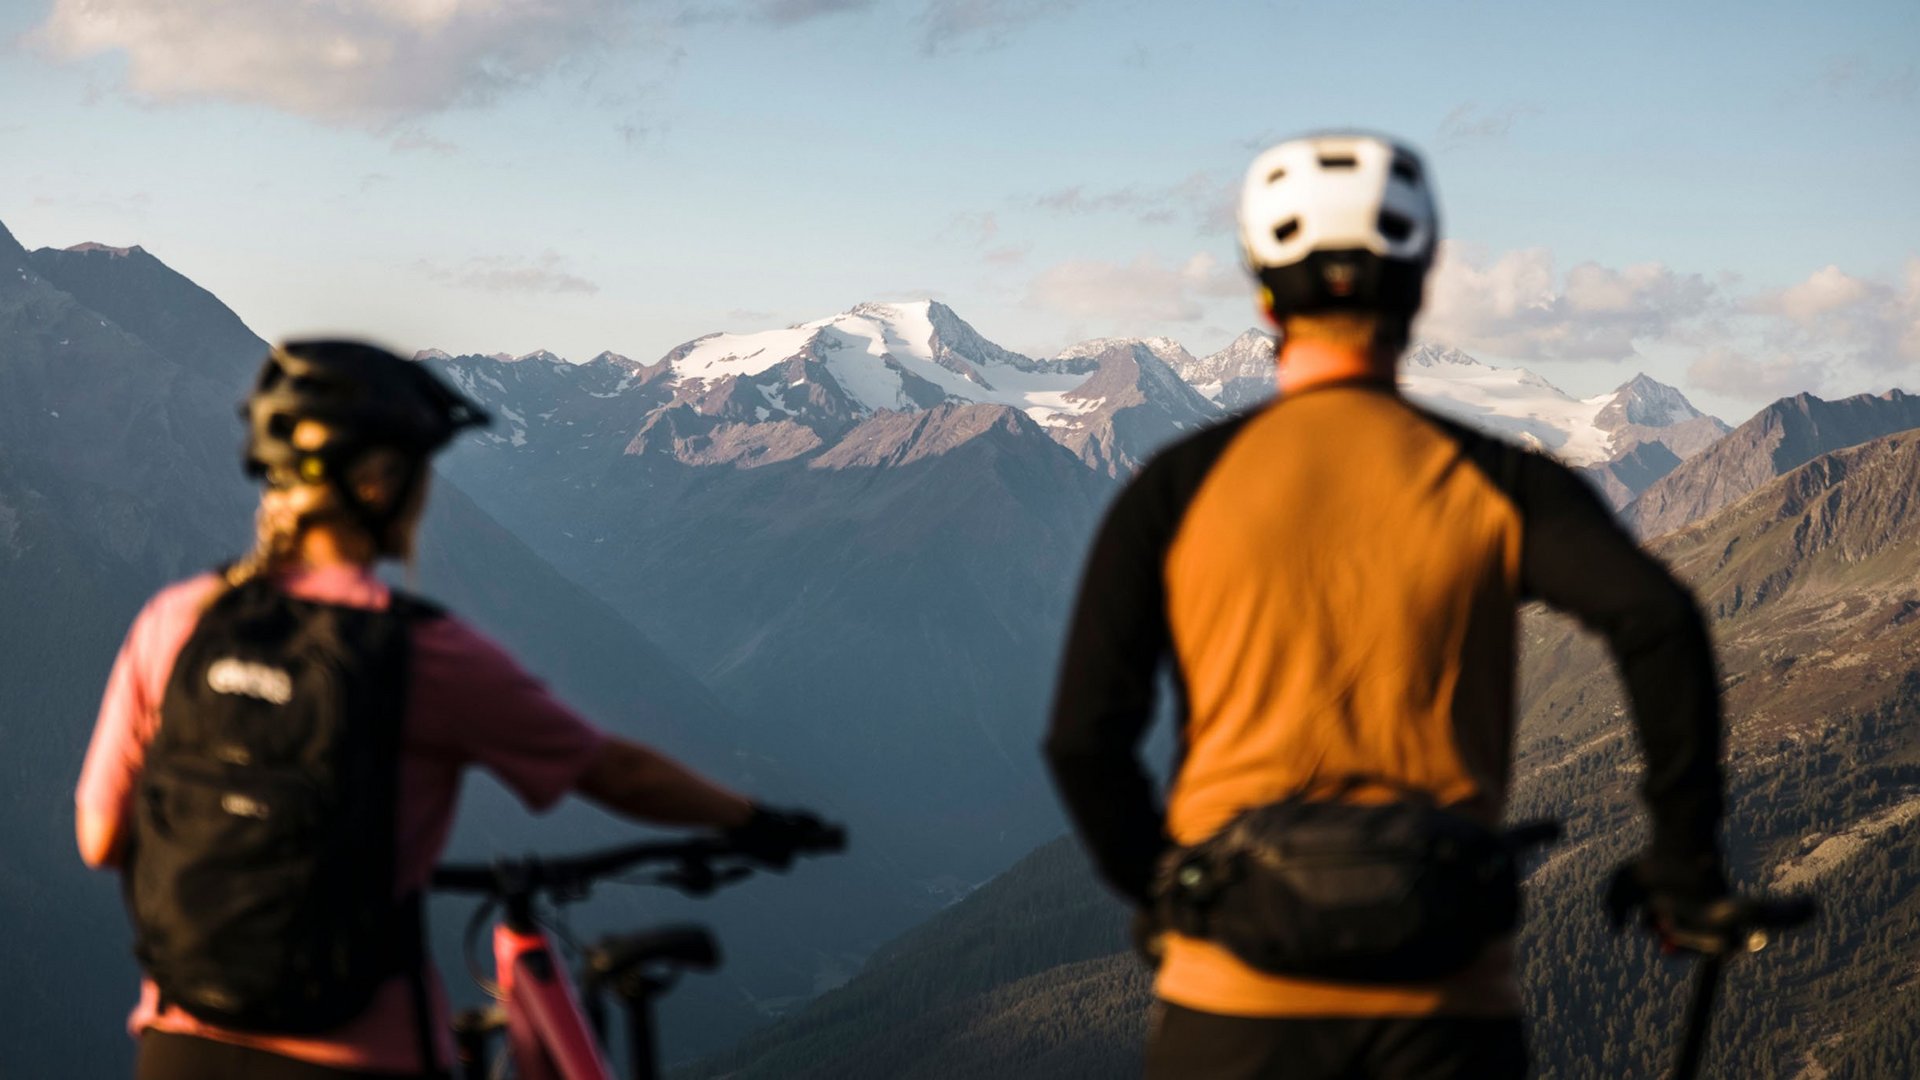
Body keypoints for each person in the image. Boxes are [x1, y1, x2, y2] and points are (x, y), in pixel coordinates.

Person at [1043, 133, 1728, 1079]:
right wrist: (1683, 857)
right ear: (1419, 283)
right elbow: (1657, 621)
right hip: (1444, 998)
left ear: (1263, 292)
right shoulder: (1496, 481)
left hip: (1231, 994)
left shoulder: (1179, 489)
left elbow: (1085, 739)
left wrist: (1165, 891)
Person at [77, 340, 826, 1080]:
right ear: (380, 483)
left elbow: (101, 834)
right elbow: (611, 769)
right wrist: (749, 820)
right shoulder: (421, 653)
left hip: (181, 1048)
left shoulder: (176, 622)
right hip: (367, 1056)